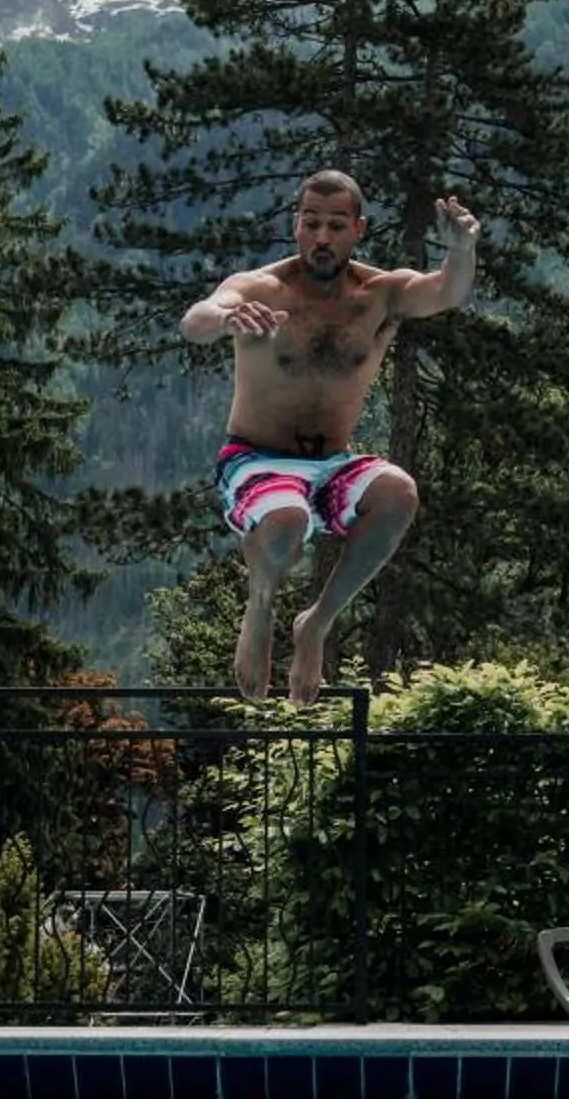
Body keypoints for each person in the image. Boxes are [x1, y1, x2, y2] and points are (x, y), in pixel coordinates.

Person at [181, 169, 481, 706]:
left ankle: (316, 623)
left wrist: (460, 250)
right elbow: (196, 320)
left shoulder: (380, 294)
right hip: (255, 460)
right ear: (295, 225)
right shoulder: (261, 288)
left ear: (358, 229)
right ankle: (261, 603)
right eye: (311, 223)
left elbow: (446, 292)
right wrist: (226, 319)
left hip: (331, 465)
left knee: (399, 493)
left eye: (336, 226)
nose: (322, 237)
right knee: (287, 520)